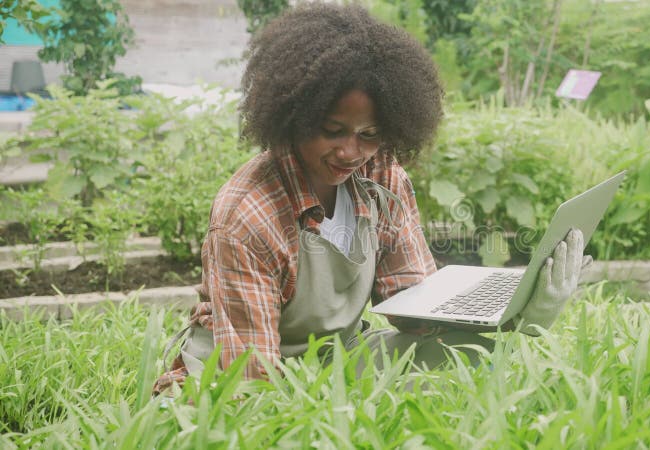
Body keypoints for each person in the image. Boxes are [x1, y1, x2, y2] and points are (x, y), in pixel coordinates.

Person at [153, 1, 587, 396]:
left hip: (337, 357)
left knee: (472, 356)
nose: (350, 153)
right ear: (295, 117)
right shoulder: (247, 214)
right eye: (333, 130)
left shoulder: (382, 178)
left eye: (369, 135)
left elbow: (417, 313)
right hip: (237, 364)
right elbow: (251, 379)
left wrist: (523, 311)